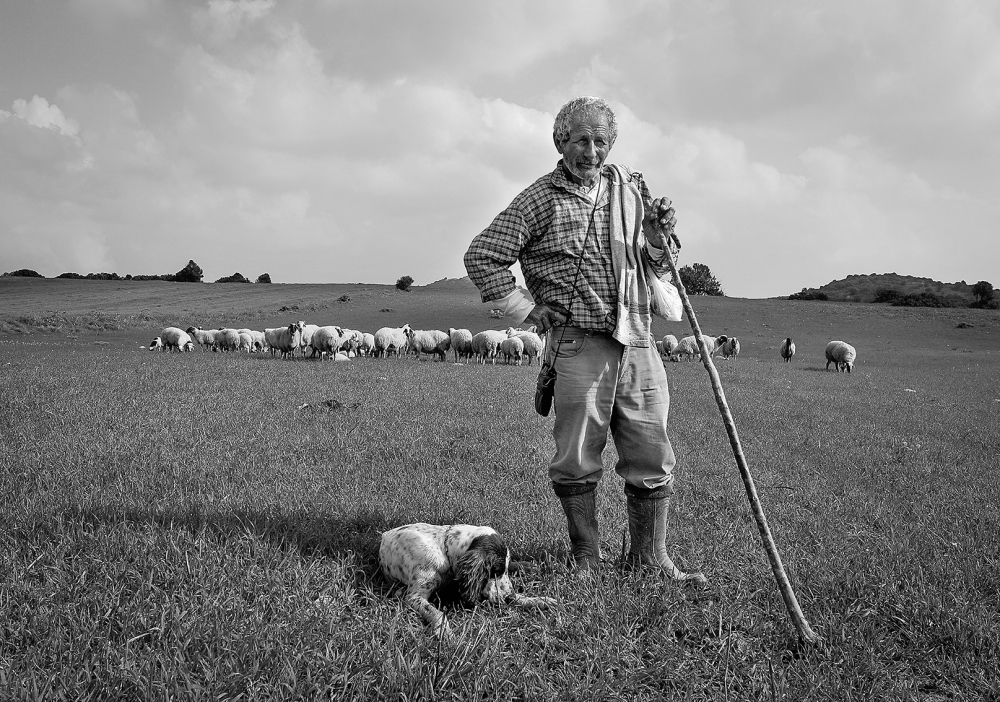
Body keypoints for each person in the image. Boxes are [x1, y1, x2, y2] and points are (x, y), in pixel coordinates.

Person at [464, 96, 704, 582]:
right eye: (580, 140)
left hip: (638, 340)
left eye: (600, 141)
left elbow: (658, 264)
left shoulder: (631, 190)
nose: (590, 151)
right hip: (577, 343)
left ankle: (650, 560)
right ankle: (586, 561)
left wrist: (658, 238)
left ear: (611, 144)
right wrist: (528, 308)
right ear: (560, 142)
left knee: (652, 452)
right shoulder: (539, 198)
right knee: (577, 457)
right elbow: (482, 255)